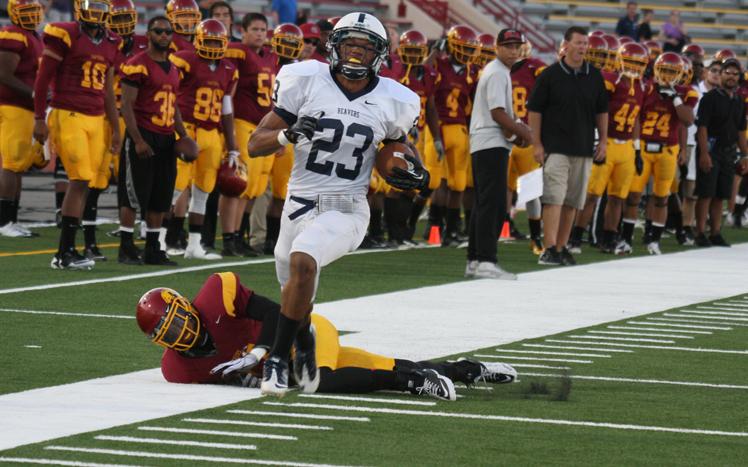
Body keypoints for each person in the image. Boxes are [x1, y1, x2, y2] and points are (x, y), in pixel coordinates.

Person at [247, 12, 426, 396]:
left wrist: (410, 171)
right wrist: (287, 135)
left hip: (346, 206)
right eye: (350, 45)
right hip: (299, 202)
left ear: (379, 54)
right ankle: (305, 340)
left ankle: (277, 360)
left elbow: (395, 150)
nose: (356, 54)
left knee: (303, 260)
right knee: (295, 291)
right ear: (334, 46)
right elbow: (255, 142)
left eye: (365, 47)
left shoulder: (394, 100)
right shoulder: (306, 80)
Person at [135, 272, 518, 399]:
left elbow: (277, 311)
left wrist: (258, 354)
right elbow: (225, 379)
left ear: (186, 304)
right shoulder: (177, 368)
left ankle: (411, 382)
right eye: (168, 330)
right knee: (371, 365)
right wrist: (248, 377)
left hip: (304, 332)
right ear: (162, 342)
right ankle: (467, 370)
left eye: (177, 318)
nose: (180, 329)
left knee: (317, 380)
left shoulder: (218, 293)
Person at [33, 0, 122, 270]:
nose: (96, 12)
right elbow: (42, 79)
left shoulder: (111, 41)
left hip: (96, 117)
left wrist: (116, 128)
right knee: (79, 177)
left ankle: (70, 250)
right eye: (90, 6)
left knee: (88, 183)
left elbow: (107, 90)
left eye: (100, 7)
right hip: (68, 112)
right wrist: (39, 118)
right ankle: (63, 253)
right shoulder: (64, 33)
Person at [527, 26, 608, 266]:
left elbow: (602, 111)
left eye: (585, 43)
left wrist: (603, 140)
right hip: (556, 147)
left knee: (573, 201)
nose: (583, 47)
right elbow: (535, 111)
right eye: (579, 43)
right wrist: (537, 143)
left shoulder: (594, 75)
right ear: (567, 44)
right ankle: (549, 247)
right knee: (554, 198)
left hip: (583, 148)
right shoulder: (550, 74)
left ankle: (561, 247)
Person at [118, 16, 195, 265]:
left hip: (166, 138)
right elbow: (127, 106)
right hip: (143, 133)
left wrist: (183, 134)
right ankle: (126, 246)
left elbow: (174, 107)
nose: (164, 35)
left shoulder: (173, 68)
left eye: (167, 32)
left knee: (160, 195)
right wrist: (138, 139)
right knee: (132, 194)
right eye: (158, 31)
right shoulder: (136, 65)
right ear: (149, 34)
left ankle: (153, 247)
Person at [568, 42, 649, 255]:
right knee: (592, 195)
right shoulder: (611, 81)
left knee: (617, 198)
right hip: (608, 142)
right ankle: (575, 238)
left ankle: (610, 238)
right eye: (629, 62)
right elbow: (596, 110)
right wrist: (597, 140)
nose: (633, 67)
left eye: (637, 63)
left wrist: (638, 149)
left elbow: (637, 119)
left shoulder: (643, 86)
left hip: (627, 148)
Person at [169, 18, 239, 261]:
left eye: (216, 42)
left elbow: (226, 107)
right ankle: (159, 239)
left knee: (203, 190)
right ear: (198, 41)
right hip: (188, 128)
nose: (211, 46)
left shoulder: (229, 68)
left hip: (212, 133)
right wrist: (178, 131)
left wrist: (232, 146)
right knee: (175, 186)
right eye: (207, 41)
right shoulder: (185, 60)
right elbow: (170, 94)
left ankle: (194, 245)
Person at [466, 29, 531, 280]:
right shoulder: (497, 72)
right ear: (498, 47)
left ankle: (474, 260)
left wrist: (517, 128)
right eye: (508, 45)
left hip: (486, 141)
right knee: (492, 203)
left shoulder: (498, 71)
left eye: (517, 45)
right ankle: (486, 260)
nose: (513, 50)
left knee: (484, 202)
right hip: (490, 141)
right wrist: (524, 132)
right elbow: (497, 113)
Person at [620, 52, 696, 255]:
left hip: (667, 149)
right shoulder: (646, 87)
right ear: (656, 70)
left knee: (662, 197)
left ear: (680, 73)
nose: (668, 75)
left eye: (673, 72)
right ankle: (626, 239)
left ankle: (654, 240)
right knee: (634, 196)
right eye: (665, 71)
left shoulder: (684, 92)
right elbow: (635, 117)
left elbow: (687, 121)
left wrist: (676, 98)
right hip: (644, 146)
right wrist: (635, 147)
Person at [220, 13, 275, 257]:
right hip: (243, 123)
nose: (260, 33)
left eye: (263, 29)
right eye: (255, 29)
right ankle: (229, 238)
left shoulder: (269, 57)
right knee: (238, 183)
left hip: (263, 126)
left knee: (255, 187)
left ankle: (240, 235)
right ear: (243, 30)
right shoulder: (238, 51)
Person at [0, 0, 43, 239]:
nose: (31, 17)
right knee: (11, 164)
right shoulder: (13, 34)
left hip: (24, 108)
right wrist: (33, 93)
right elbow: (3, 74)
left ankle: (12, 220)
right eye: (25, 12)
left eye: (33, 12)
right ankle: (4, 221)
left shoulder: (31, 35)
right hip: (12, 106)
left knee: (18, 166)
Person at [694, 58, 748, 246]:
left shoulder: (739, 100)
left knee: (721, 195)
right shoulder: (710, 98)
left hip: (729, 152)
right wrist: (704, 153)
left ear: (739, 77)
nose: (731, 77)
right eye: (727, 72)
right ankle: (700, 232)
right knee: (706, 193)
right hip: (711, 149)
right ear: (721, 75)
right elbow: (702, 127)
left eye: (735, 74)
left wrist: (745, 155)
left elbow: (741, 130)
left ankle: (715, 232)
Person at [509, 40, 546, 255]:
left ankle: (535, 236)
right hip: (504, 137)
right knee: (502, 189)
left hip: (526, 137)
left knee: (531, 191)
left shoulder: (535, 68)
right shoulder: (496, 69)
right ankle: (505, 226)